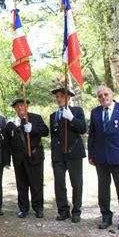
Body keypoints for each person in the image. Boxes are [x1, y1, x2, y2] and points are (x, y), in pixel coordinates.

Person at [88, 86, 119, 231]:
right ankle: (106, 217)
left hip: (118, 156)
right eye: (100, 95)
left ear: (112, 94)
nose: (103, 97)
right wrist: (91, 154)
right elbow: (92, 135)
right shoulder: (95, 112)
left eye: (106, 94)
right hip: (100, 157)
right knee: (103, 189)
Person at [3, 99, 49, 219]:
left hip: (35, 157)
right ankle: (23, 209)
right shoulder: (11, 124)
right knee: (21, 185)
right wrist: (6, 161)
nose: (20, 108)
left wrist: (33, 129)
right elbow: (6, 144)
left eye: (22, 105)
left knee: (36, 184)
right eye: (17, 106)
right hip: (19, 159)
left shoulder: (36, 118)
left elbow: (45, 132)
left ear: (27, 106)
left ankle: (38, 208)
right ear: (14, 109)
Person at [49, 88, 87, 223]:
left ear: (68, 98)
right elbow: (53, 137)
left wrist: (71, 118)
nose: (59, 99)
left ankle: (76, 211)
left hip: (74, 152)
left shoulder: (77, 111)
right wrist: (53, 155)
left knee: (76, 183)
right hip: (59, 155)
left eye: (62, 96)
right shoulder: (53, 115)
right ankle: (63, 211)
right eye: (57, 97)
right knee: (59, 183)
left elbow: (83, 129)